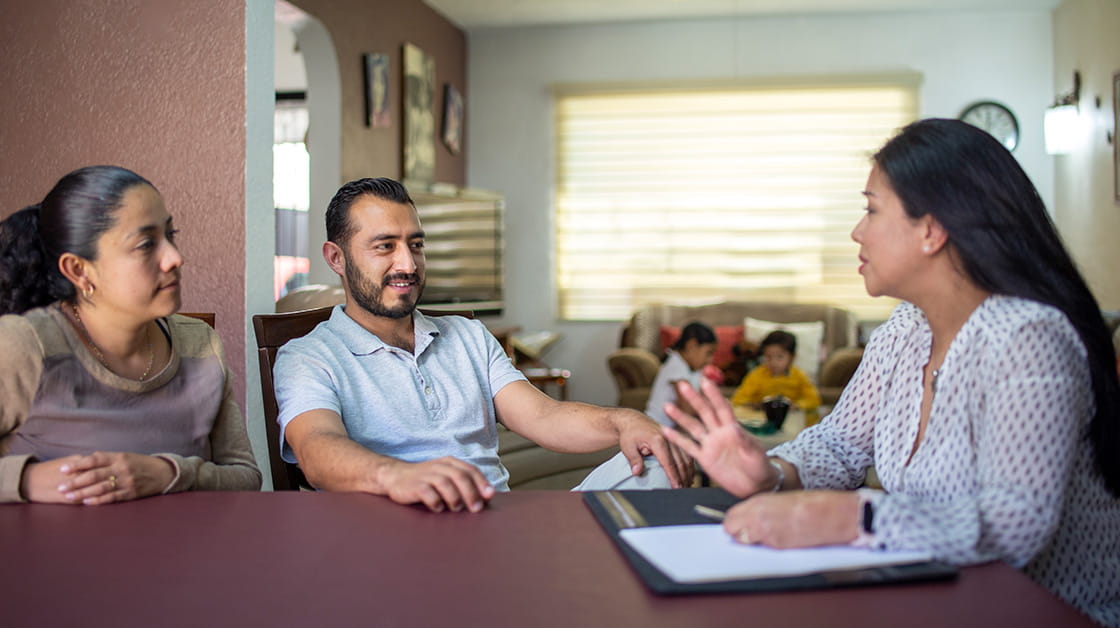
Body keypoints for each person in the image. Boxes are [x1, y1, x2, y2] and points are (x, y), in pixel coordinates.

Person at [662, 119, 1120, 626]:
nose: (858, 231)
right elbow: (839, 443)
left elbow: (1015, 520)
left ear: (931, 229)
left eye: (871, 209)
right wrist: (771, 472)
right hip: (937, 601)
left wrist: (846, 516)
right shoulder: (906, 328)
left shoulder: (1028, 338)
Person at [273, 177, 691, 513]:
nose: (408, 264)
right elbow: (317, 449)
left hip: (500, 529)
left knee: (659, 460)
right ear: (336, 258)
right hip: (393, 541)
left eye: (415, 245)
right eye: (385, 246)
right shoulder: (308, 356)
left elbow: (543, 416)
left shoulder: (467, 336)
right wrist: (396, 477)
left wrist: (624, 422)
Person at [0, 166, 261, 504]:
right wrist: (25, 480)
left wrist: (167, 473)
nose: (175, 258)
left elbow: (245, 477)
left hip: (184, 551)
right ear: (79, 270)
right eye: (145, 244)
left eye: (171, 235)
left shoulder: (200, 344)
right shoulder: (24, 345)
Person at [644, 322, 717, 427]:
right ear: (692, 345)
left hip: (672, 428)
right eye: (709, 353)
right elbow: (686, 408)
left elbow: (702, 397)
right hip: (656, 427)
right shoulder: (675, 365)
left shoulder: (694, 368)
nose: (710, 360)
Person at [729, 330, 821, 411]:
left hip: (790, 417)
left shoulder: (799, 375)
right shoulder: (756, 375)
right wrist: (754, 405)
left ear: (792, 357)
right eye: (768, 357)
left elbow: (814, 400)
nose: (773, 362)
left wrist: (797, 405)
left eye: (779, 357)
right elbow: (738, 399)